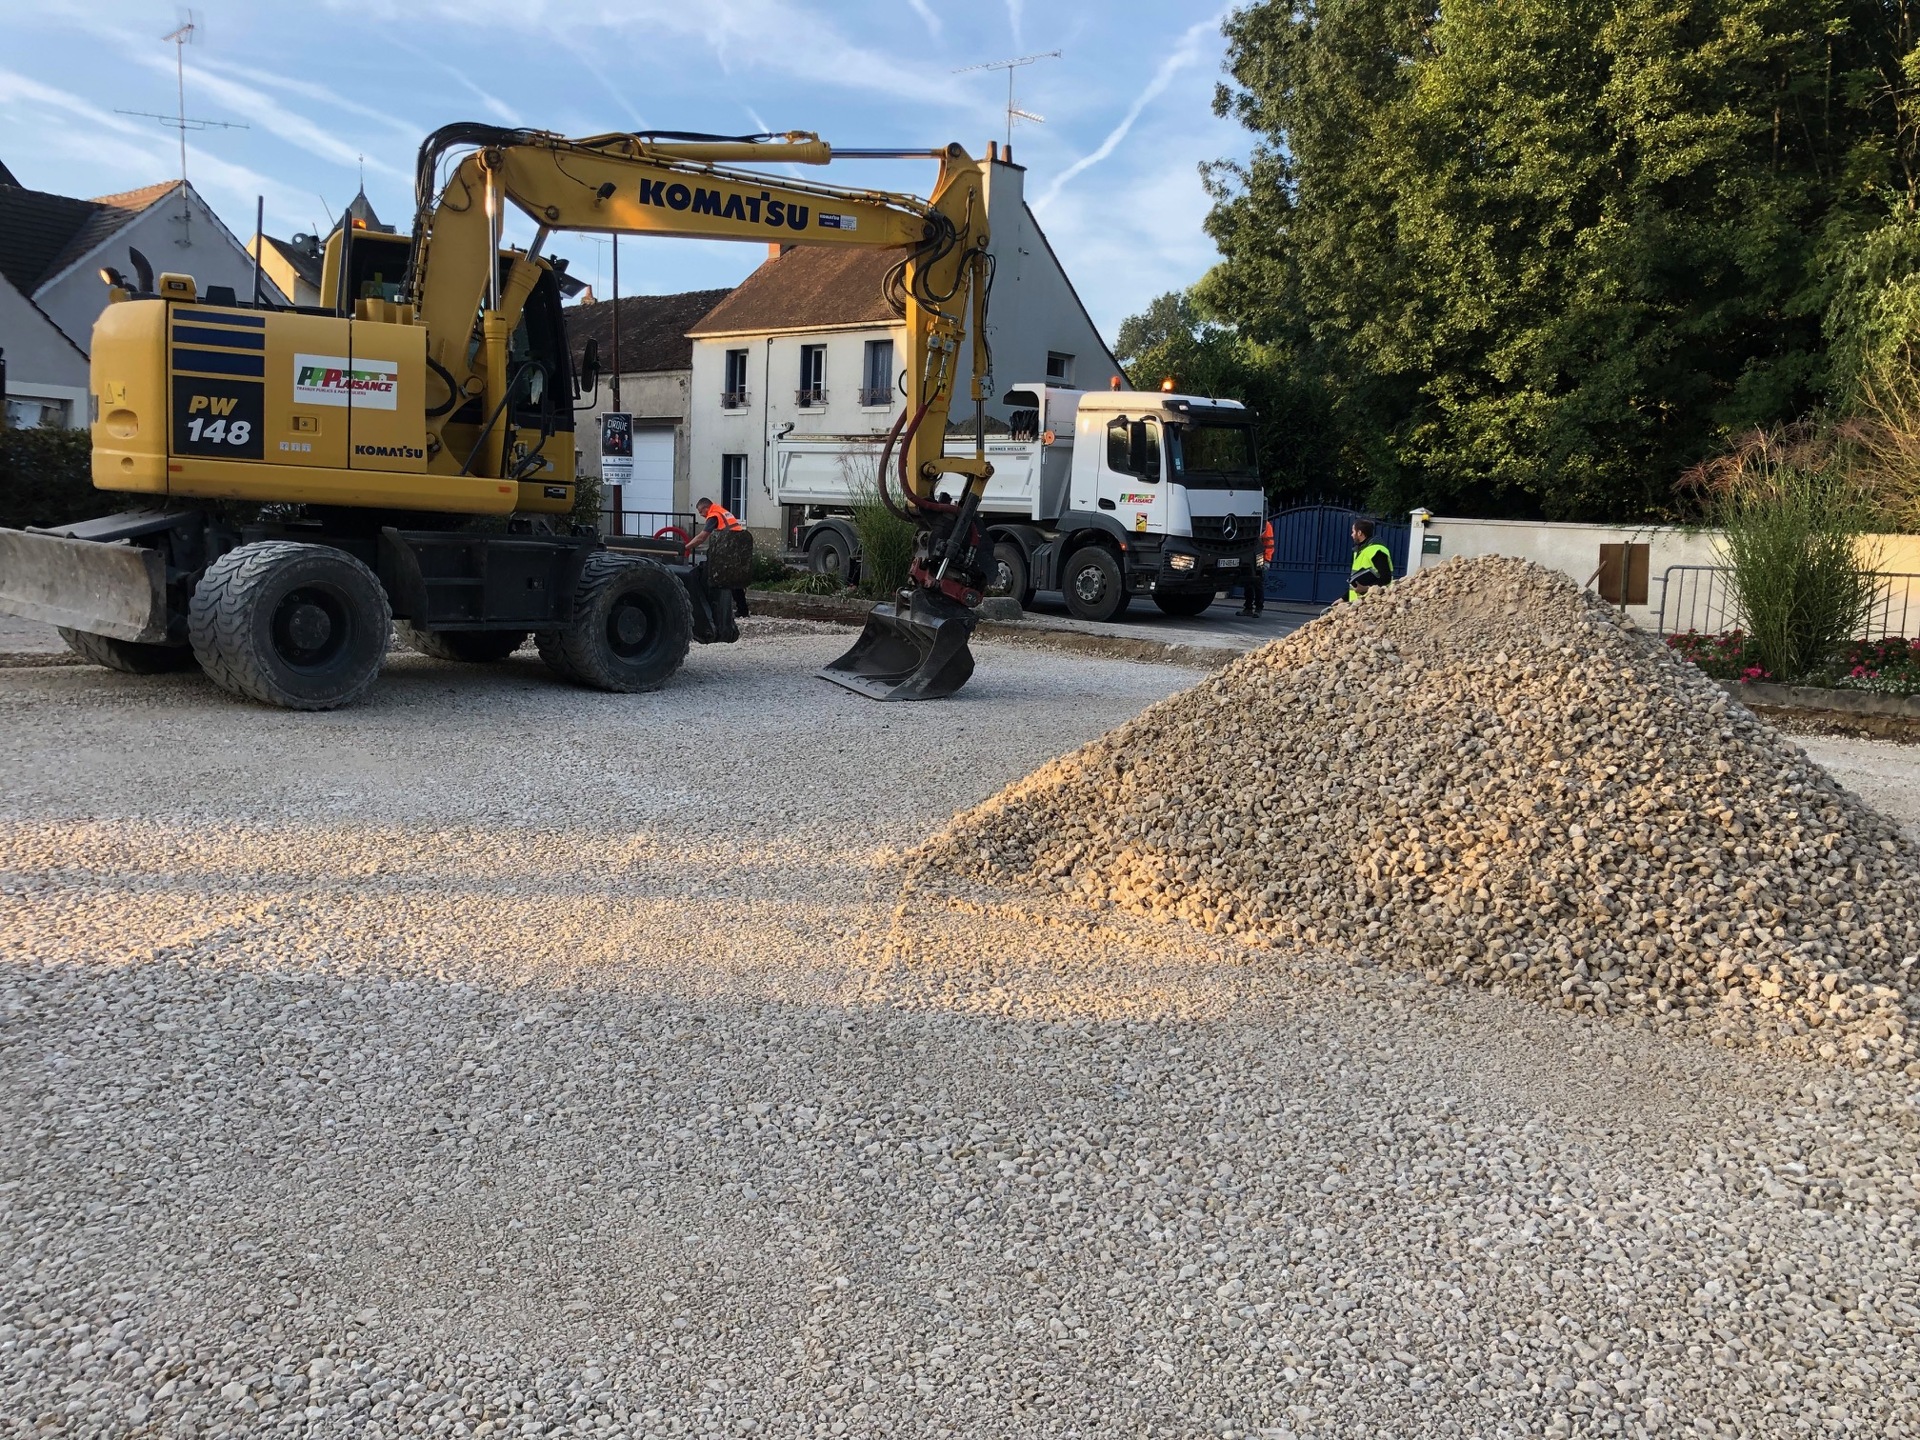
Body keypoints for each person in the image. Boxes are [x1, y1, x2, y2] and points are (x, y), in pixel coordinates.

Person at [692, 496, 750, 618]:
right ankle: (742, 610)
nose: (701, 515)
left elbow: (702, 537)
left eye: (701, 512)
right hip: (738, 546)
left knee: (714, 577)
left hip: (729, 548)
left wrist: (687, 547)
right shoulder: (721, 511)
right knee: (734, 580)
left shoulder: (713, 515)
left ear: (706, 508)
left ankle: (716, 609)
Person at [1348, 518, 1393, 602]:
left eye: (1353, 531)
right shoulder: (1360, 550)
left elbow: (1386, 578)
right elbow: (1357, 582)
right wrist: (1343, 598)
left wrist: (1367, 588)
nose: (1352, 535)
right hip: (1357, 604)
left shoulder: (1376, 550)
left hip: (1371, 603)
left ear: (1359, 533)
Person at [1241, 516, 1274, 617]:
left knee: (1257, 584)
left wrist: (1267, 560)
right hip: (1249, 557)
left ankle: (1258, 608)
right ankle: (1248, 607)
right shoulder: (1249, 522)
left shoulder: (1266, 525)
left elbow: (1269, 544)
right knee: (1248, 583)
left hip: (1259, 558)